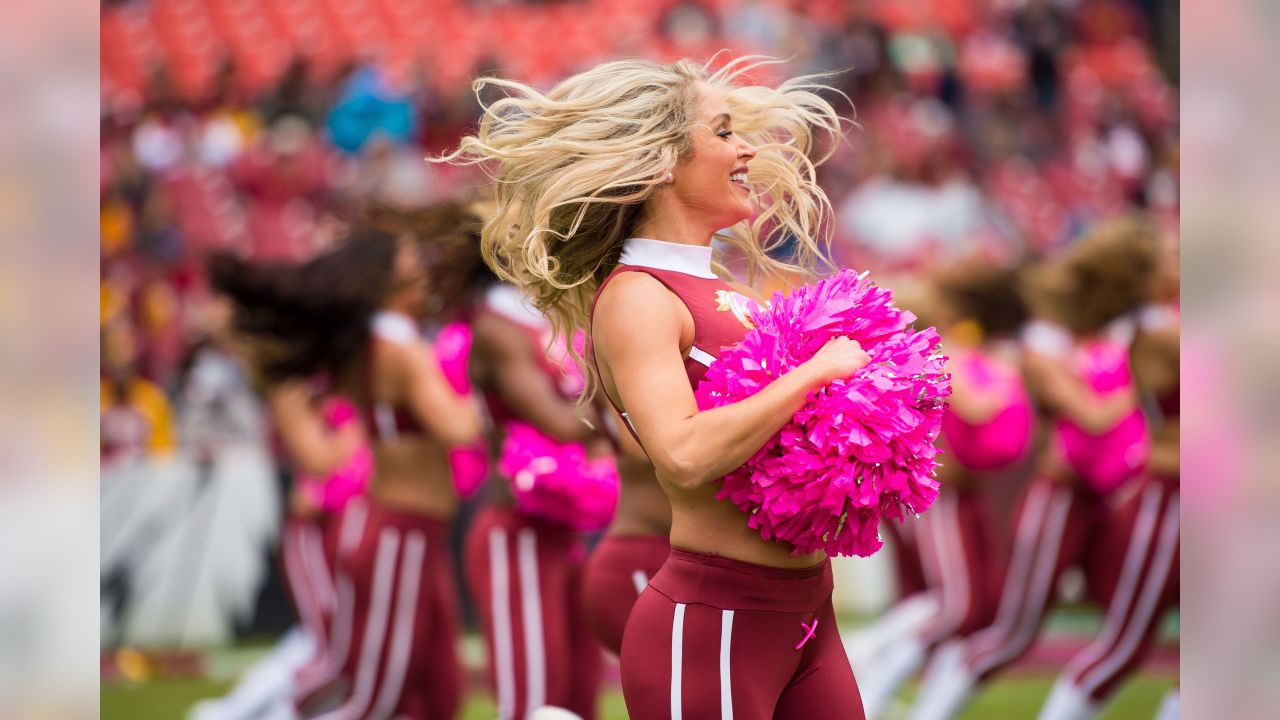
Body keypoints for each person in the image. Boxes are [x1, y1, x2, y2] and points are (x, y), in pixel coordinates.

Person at [439, 55, 871, 719]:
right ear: (662, 161)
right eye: (724, 132)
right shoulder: (639, 296)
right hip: (718, 617)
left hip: (807, 607)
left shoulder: (724, 288)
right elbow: (683, 453)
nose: (748, 147)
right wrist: (817, 373)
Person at [210, 225, 482, 720]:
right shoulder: (397, 348)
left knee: (436, 692)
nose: (421, 265)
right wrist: (491, 378)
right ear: (384, 279)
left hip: (413, 534)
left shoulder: (378, 342)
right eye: (408, 258)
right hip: (398, 530)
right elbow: (459, 426)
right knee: (375, 699)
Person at [910, 216, 1163, 720]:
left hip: (1107, 498)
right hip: (1060, 497)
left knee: (1127, 636)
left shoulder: (1121, 338)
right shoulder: (1046, 347)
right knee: (1010, 632)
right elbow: (1093, 416)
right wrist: (1142, 384)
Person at [856, 262, 1033, 719]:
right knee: (956, 607)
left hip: (945, 492)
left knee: (957, 605)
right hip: (934, 494)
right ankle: (868, 670)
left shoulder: (930, 356)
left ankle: (897, 688)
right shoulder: (933, 357)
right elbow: (977, 406)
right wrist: (1008, 377)